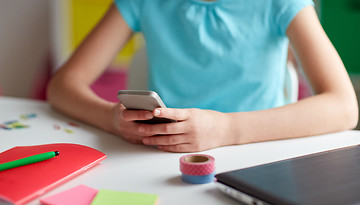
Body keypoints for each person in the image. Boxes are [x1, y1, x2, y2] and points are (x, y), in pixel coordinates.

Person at [47, 0, 358, 153]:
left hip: (257, 155)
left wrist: (226, 130)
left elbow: (344, 107)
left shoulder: (281, 3)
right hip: (164, 159)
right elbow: (62, 86)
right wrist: (111, 120)